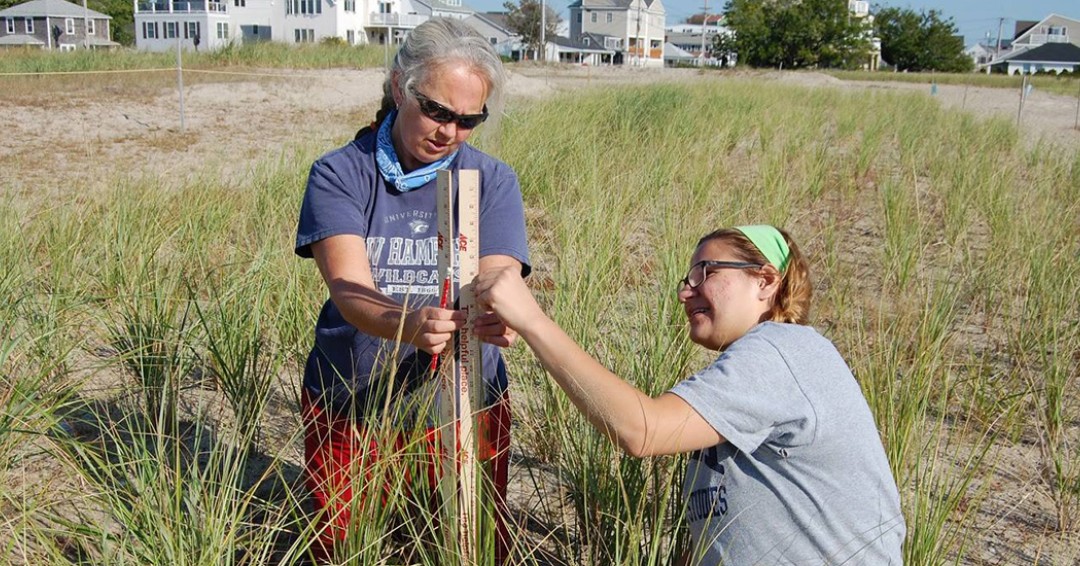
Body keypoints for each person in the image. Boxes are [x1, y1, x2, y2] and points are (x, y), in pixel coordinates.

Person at [475, 225, 905, 565]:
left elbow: (642, 431)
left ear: (766, 280)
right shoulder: (753, 370)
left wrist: (532, 320)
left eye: (706, 272)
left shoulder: (783, 351)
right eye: (687, 279)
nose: (686, 291)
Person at [294, 17, 530, 563]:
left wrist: (502, 310)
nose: (450, 132)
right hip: (351, 399)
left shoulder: (492, 180)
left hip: (466, 401)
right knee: (345, 544)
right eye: (438, 111)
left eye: (470, 120)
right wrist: (409, 324)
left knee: (465, 542)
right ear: (401, 86)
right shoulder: (340, 174)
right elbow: (351, 291)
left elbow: (499, 273)